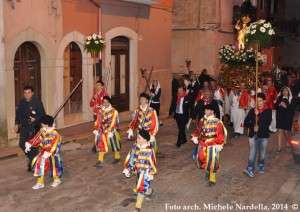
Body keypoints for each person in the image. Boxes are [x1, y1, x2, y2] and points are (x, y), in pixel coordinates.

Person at [191, 103, 227, 187]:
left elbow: (220, 134)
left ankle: (212, 179)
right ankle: (207, 171)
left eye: (207, 110)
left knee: (212, 161)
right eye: (205, 109)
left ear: (212, 111)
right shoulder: (202, 120)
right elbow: (198, 130)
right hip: (203, 143)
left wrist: (219, 144)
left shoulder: (217, 121)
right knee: (202, 159)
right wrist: (195, 136)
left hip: (213, 144)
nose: (205, 111)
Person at [25, 115, 63, 189]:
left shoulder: (55, 133)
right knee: (40, 165)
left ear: (46, 124)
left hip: (53, 154)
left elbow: (55, 145)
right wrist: (29, 144)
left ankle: (57, 180)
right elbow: (37, 139)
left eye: (42, 123)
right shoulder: (42, 131)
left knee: (54, 167)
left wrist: (48, 152)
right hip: (43, 152)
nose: (41, 124)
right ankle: (40, 182)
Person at [123, 130, 157, 212]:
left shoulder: (149, 150)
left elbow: (152, 162)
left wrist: (151, 172)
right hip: (137, 171)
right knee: (143, 187)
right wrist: (127, 168)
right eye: (137, 138)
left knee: (141, 188)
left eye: (139, 138)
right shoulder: (134, 148)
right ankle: (150, 191)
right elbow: (131, 159)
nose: (137, 139)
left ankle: (138, 207)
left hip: (145, 173)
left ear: (145, 140)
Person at [14, 85, 46, 172]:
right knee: (22, 144)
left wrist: (35, 119)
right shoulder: (22, 102)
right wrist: (16, 123)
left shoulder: (37, 103)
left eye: (28, 93)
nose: (27, 95)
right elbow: (18, 114)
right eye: (25, 93)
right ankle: (34, 161)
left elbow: (43, 115)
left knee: (33, 147)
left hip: (34, 128)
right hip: (24, 127)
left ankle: (35, 163)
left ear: (32, 93)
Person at [243, 93, 272, 178]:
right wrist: (253, 127)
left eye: (260, 101)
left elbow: (267, 122)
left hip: (263, 135)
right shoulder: (253, 110)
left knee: (262, 152)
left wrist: (259, 114)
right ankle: (250, 169)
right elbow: (246, 121)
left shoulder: (268, 110)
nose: (258, 103)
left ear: (264, 101)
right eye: (257, 101)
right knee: (252, 152)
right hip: (253, 135)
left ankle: (261, 164)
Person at [93, 96, 121, 167]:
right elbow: (98, 120)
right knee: (100, 143)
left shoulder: (114, 111)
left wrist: (111, 131)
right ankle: (100, 160)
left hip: (111, 131)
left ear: (109, 103)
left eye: (107, 102)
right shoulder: (101, 111)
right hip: (102, 130)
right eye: (104, 102)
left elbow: (115, 122)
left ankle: (117, 156)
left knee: (113, 144)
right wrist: (96, 128)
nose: (105, 103)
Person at [275, 87, 297, 153]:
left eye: (286, 91)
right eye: (283, 91)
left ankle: (288, 142)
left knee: (286, 131)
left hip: (288, 117)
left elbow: (293, 109)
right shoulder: (279, 98)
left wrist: (286, 106)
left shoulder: (292, 99)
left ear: (288, 92)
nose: (285, 92)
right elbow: (275, 106)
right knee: (279, 131)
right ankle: (279, 148)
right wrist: (279, 104)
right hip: (280, 117)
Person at [89, 80, 109, 153]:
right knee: (96, 131)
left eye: (99, 85)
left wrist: (100, 105)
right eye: (97, 85)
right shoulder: (95, 95)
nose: (98, 86)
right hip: (95, 115)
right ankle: (96, 145)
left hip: (101, 115)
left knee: (101, 131)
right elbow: (91, 104)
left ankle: (98, 145)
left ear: (102, 86)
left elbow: (107, 104)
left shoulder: (105, 94)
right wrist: (94, 98)